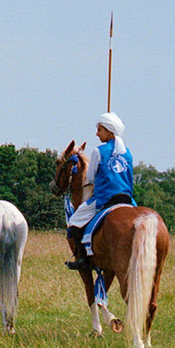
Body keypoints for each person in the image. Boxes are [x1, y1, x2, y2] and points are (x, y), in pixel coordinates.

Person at [65, 112, 135, 270]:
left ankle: (82, 259)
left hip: (105, 198)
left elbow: (90, 178)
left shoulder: (98, 151)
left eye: (100, 130)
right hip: (126, 199)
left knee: (74, 223)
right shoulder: (128, 152)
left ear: (109, 131)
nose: (97, 134)